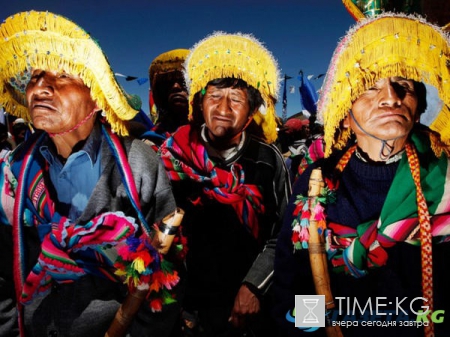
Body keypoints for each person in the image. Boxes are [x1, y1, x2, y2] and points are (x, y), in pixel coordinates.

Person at [0, 11, 181, 337]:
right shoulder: (14, 170)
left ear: (98, 98)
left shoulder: (138, 163)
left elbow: (165, 266)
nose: (41, 89)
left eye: (62, 77)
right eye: (36, 77)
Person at [273, 13, 450, 337]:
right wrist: (322, 326)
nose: (391, 98)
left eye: (404, 86)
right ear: (345, 116)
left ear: (419, 107)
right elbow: (293, 280)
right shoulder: (316, 182)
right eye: (370, 88)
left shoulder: (445, 179)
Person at [159, 32, 292, 337]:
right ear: (200, 102)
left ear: (249, 114)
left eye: (236, 99)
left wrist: (254, 286)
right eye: (215, 96)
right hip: (188, 306)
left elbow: (283, 232)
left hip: (249, 305)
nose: (223, 108)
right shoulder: (172, 155)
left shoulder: (267, 159)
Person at [141, 49, 190, 149]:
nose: (176, 86)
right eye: (167, 83)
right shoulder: (150, 142)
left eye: (184, 81)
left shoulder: (219, 130)